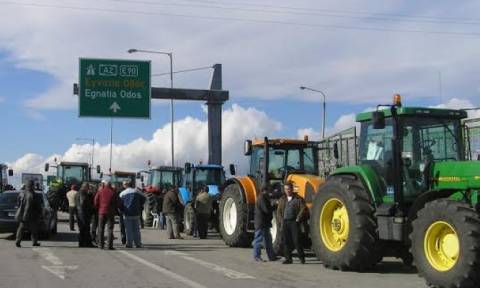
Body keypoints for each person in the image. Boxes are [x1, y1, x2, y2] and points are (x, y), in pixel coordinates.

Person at [277, 181, 308, 264]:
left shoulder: (298, 198)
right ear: (284, 190)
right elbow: (279, 211)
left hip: (294, 222)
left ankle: (302, 258)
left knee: (297, 240)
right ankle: (288, 259)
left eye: (289, 189)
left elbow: (303, 208)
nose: (288, 191)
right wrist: (281, 220)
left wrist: (298, 218)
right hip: (285, 222)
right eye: (286, 189)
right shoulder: (282, 199)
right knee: (286, 241)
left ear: (292, 189)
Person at [15, 180, 43, 247]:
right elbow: (37, 206)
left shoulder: (21, 194)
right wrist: (40, 212)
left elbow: (18, 203)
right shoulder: (33, 195)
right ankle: (34, 242)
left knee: (21, 228)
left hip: (22, 215)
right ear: (32, 186)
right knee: (34, 230)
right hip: (32, 215)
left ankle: (17, 241)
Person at [119, 180, 146, 248]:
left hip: (127, 213)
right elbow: (144, 198)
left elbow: (120, 203)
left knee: (128, 230)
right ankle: (138, 243)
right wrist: (139, 205)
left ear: (126, 185)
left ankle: (129, 243)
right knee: (136, 229)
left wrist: (122, 210)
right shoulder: (137, 191)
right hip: (136, 213)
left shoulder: (122, 193)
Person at [252, 186, 276, 262]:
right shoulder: (261, 198)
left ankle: (272, 256)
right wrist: (274, 206)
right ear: (264, 191)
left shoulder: (264, 198)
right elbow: (266, 210)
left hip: (265, 223)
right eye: (269, 191)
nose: (270, 193)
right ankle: (257, 256)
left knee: (268, 240)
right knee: (258, 240)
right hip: (261, 223)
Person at [94, 180, 119, 250]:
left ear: (104, 185)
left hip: (101, 212)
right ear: (110, 185)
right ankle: (109, 246)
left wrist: (98, 208)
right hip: (110, 213)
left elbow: (95, 201)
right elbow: (116, 202)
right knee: (110, 229)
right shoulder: (112, 193)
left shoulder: (100, 191)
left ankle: (100, 245)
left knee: (101, 228)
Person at [75, 183, 96, 247]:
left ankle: (82, 243)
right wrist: (91, 207)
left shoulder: (78, 193)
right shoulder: (83, 193)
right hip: (83, 213)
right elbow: (83, 202)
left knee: (82, 229)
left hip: (79, 213)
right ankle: (87, 243)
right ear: (85, 187)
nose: (89, 189)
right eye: (88, 187)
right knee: (86, 228)